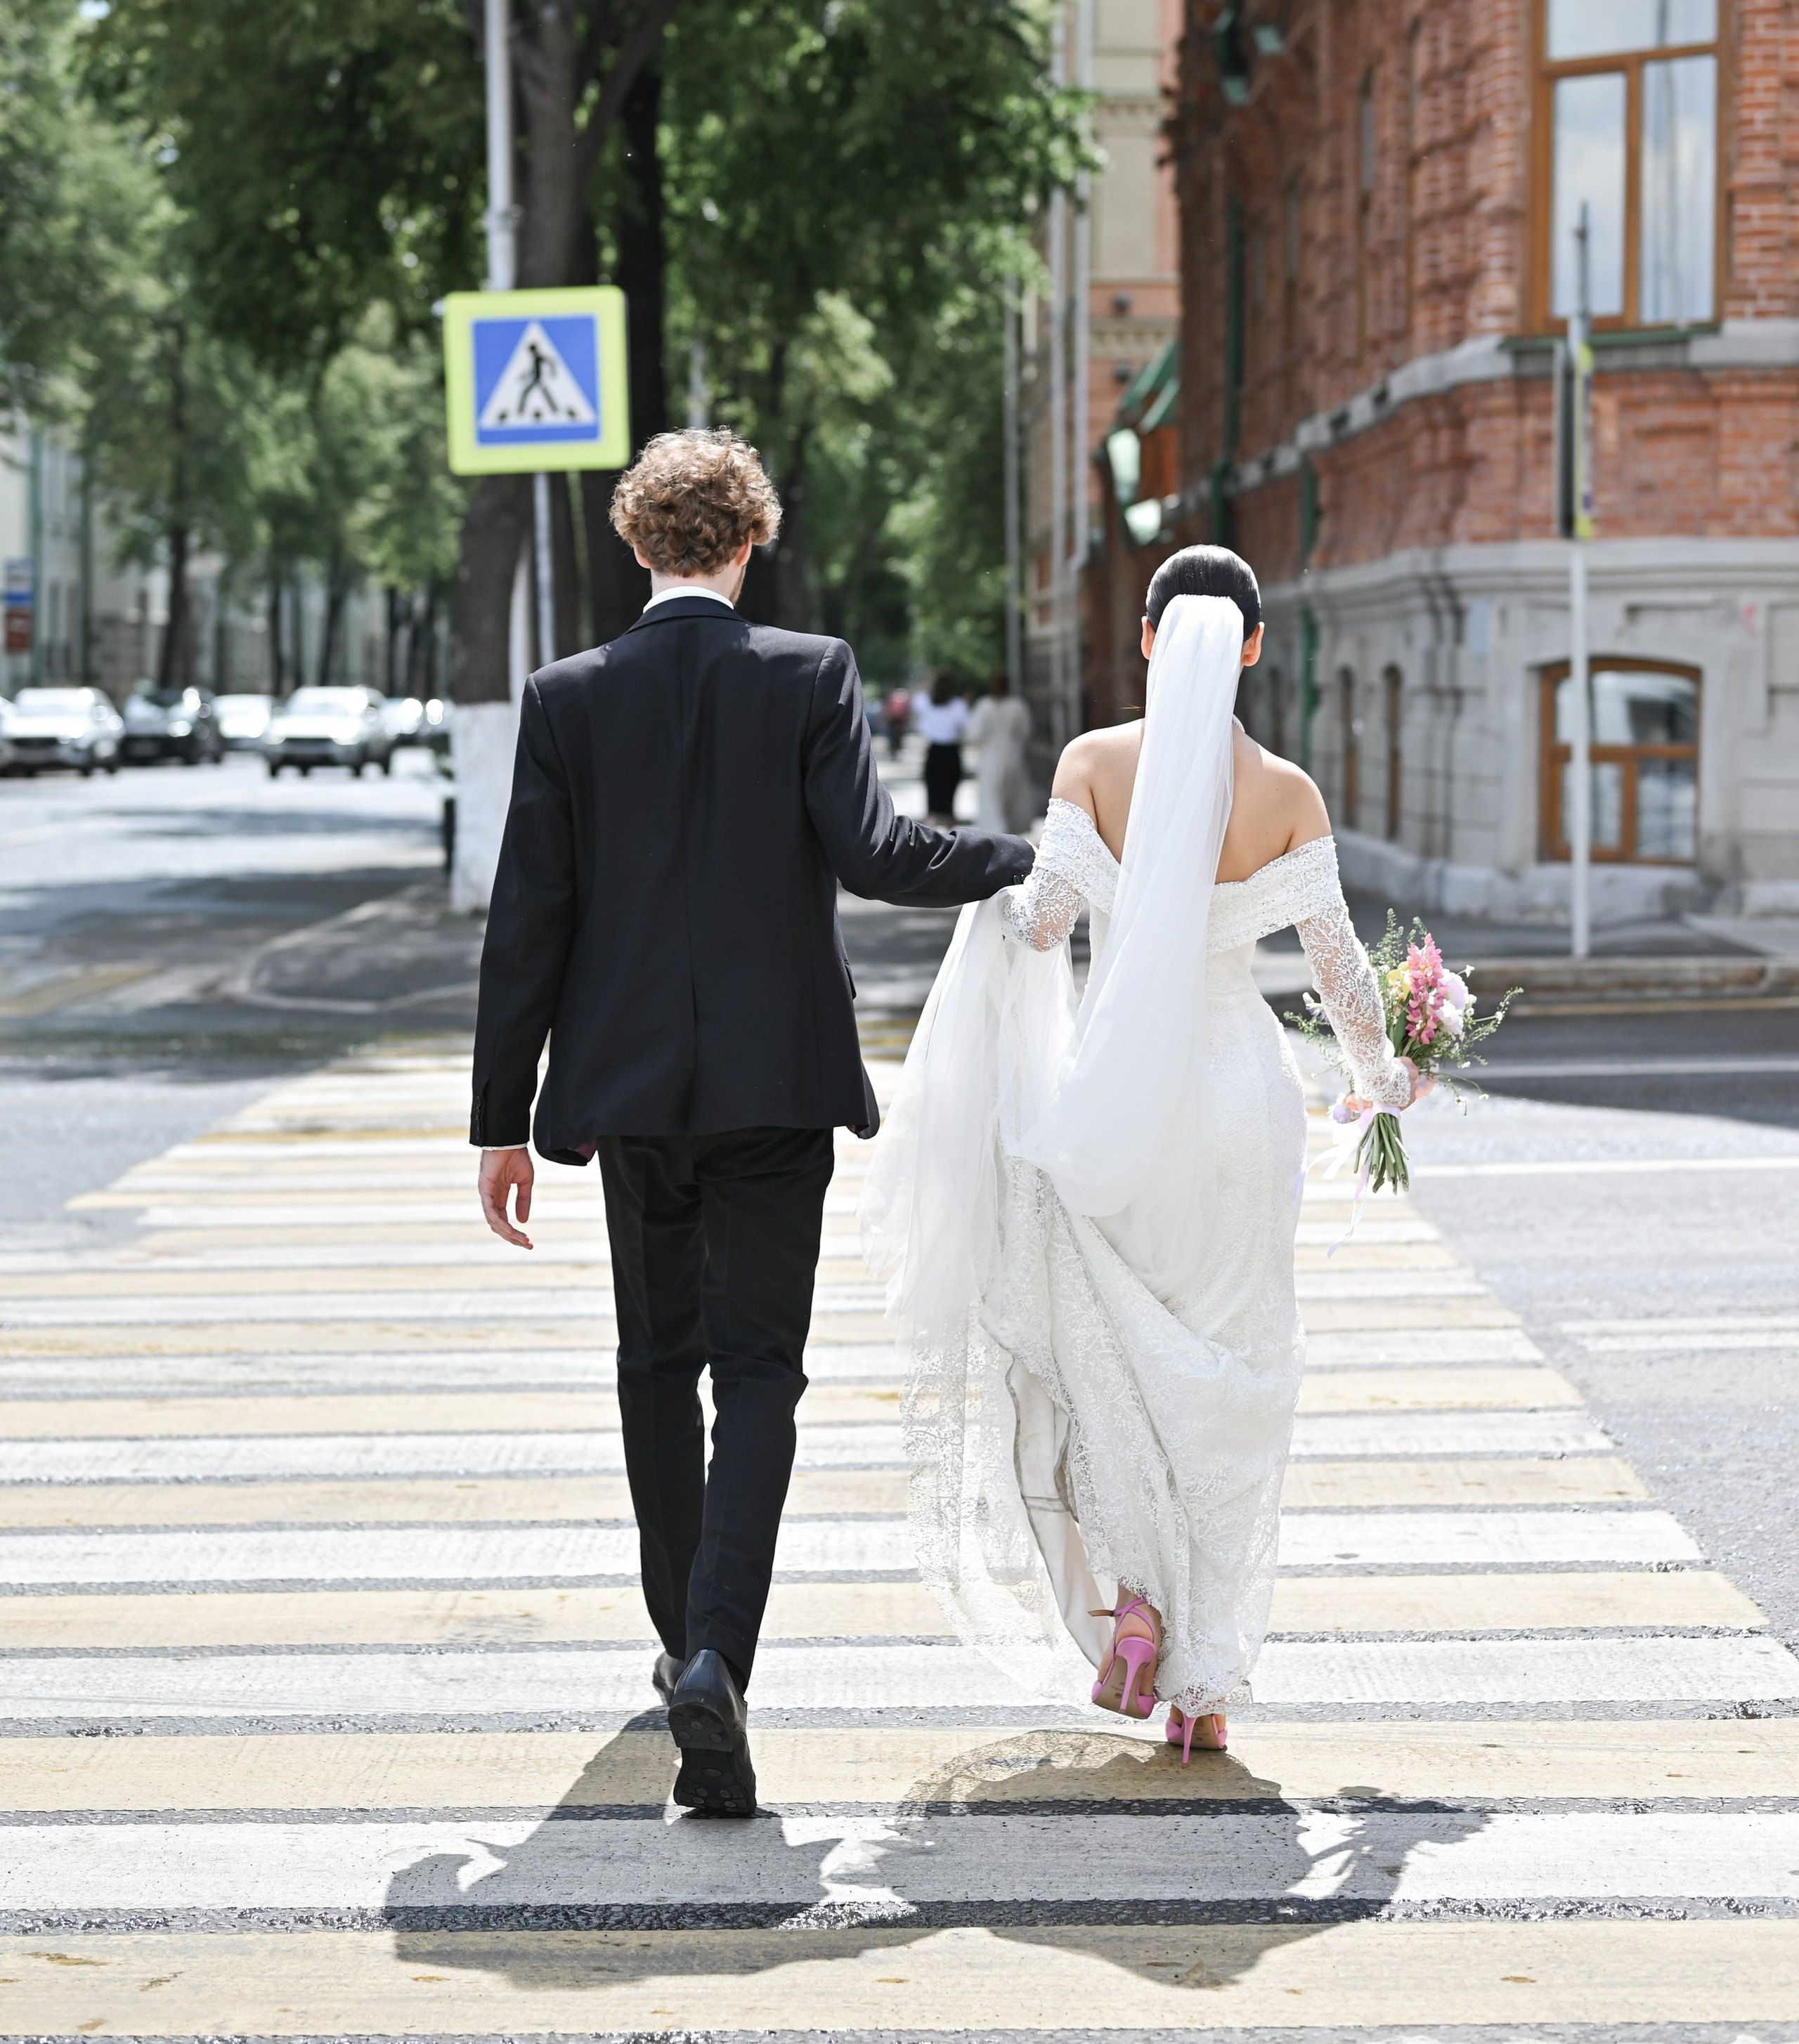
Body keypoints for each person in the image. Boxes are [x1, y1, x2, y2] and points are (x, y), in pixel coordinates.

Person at [469, 429, 1034, 1818]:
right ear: (746, 543)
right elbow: (877, 854)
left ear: (635, 542)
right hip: (776, 1091)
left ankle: (683, 1648)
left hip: (625, 1099)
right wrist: (1032, 856)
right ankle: (721, 1651)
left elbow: (527, 915)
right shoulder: (807, 672)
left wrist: (500, 1116)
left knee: (654, 1367)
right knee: (759, 1374)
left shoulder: (565, 696)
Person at [862, 545, 1418, 1758]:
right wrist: (1388, 1072)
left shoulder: (1094, 765)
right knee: (1226, 1372)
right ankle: (1206, 1692)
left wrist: (994, 905)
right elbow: (1337, 970)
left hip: (1118, 1101)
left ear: (1154, 641)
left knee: (1110, 1360)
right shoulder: (1286, 792)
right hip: (1233, 1103)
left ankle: (1138, 1605)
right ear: (1256, 646)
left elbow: (1047, 921)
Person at [968, 668, 1034, 834]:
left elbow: (974, 734)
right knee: (1012, 794)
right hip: (1013, 754)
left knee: (992, 795)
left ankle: (997, 830)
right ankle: (1011, 829)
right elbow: (1026, 731)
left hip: (991, 756)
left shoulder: (984, 706)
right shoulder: (1018, 706)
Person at [912, 670, 970, 824]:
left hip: (934, 750)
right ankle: (950, 818)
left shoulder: (926, 702)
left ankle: (931, 818)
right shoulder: (958, 705)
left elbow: (916, 704)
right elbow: (965, 726)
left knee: (933, 787)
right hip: (951, 750)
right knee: (950, 788)